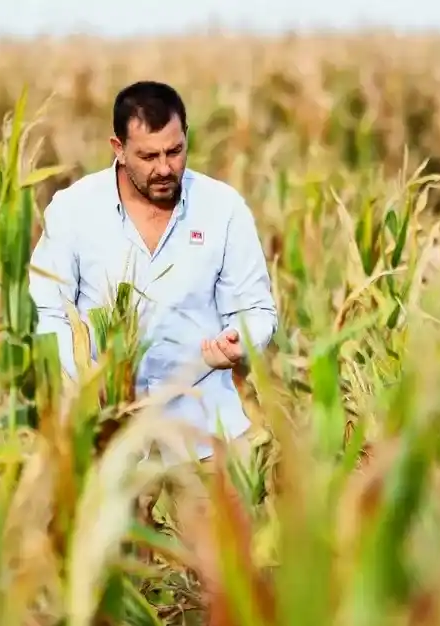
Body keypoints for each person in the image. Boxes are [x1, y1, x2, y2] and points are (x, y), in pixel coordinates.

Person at [28, 80, 278, 467]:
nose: (165, 168)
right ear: (119, 149)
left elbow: (257, 311)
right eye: (148, 156)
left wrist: (239, 343)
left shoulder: (223, 209)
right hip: (104, 438)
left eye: (175, 151)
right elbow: (48, 313)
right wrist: (84, 379)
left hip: (206, 436)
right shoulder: (73, 210)